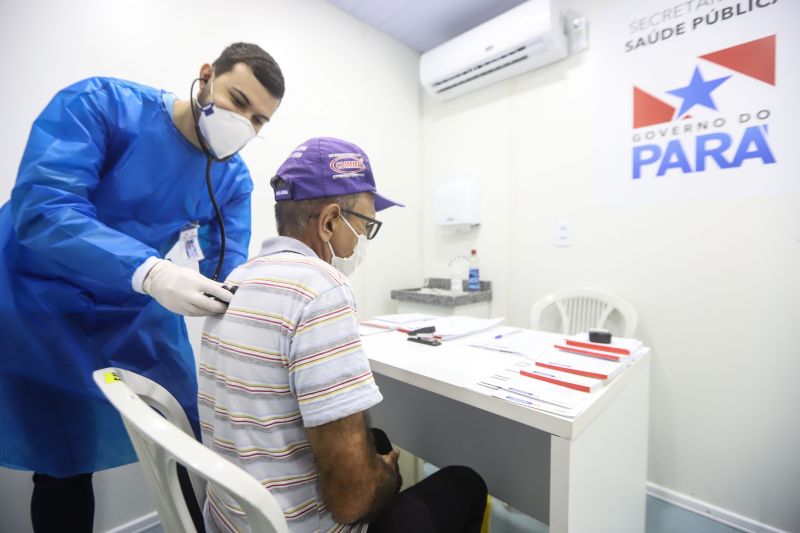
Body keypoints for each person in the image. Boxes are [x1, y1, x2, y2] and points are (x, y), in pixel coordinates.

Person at [0, 43, 284, 532]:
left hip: (130, 305)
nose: (245, 124)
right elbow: (44, 208)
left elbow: (225, 271)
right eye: (238, 100)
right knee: (63, 462)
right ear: (206, 76)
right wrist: (152, 272)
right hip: (37, 301)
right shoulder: (102, 105)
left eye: (259, 120)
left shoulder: (231, 178)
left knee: (192, 432)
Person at [198, 137, 488, 533]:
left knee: (377, 437)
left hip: (233, 518)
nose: (364, 240)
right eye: (365, 225)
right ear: (331, 221)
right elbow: (351, 502)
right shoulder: (322, 289)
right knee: (465, 483)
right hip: (300, 527)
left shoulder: (240, 278)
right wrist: (388, 478)